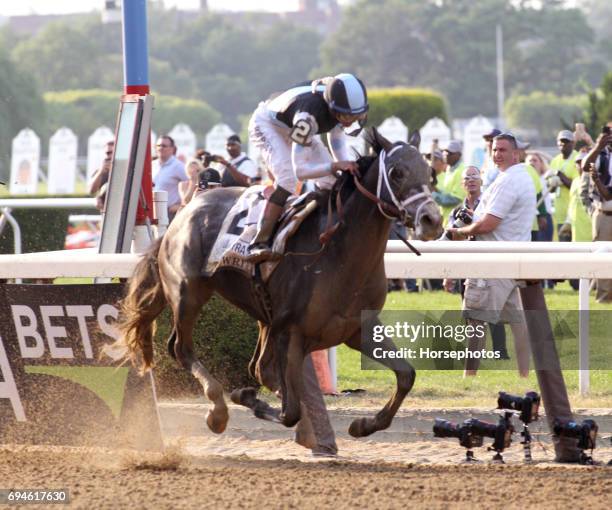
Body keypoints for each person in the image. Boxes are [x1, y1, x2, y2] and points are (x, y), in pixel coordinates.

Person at [246, 73, 368, 262]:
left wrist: (345, 166)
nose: (350, 120)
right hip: (268, 125)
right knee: (287, 179)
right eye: (346, 116)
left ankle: (323, 231)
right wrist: (335, 165)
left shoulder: (337, 104)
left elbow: (336, 140)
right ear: (332, 107)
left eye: (355, 115)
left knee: (333, 181)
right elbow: (300, 171)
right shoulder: (308, 118)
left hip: (292, 123)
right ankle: (260, 240)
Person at [448, 134, 535, 377]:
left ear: (516, 154)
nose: (497, 154)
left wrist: (461, 231)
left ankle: (468, 379)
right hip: (512, 261)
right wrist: (472, 219)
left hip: (493, 262)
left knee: (475, 322)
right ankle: (524, 375)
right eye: (495, 149)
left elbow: (488, 224)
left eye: (503, 150)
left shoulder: (508, 181)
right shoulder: (518, 177)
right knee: (519, 325)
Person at [580, 126, 612, 302]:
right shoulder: (601, 154)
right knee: (604, 257)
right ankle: (605, 299)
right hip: (604, 213)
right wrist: (598, 146)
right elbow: (585, 166)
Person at [549, 130, 579, 241]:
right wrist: (552, 182)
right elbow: (551, 190)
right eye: (560, 141)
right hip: (560, 213)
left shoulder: (578, 159)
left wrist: (560, 175)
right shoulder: (555, 161)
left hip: (574, 215)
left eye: (566, 141)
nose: (563, 144)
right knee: (563, 249)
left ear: (573, 143)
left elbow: (576, 186)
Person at [153, 135, 188, 222]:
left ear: (172, 149)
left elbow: (192, 184)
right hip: (153, 212)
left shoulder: (179, 166)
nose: (161, 148)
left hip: (170, 214)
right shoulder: (152, 165)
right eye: (158, 146)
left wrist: (181, 205)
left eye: (164, 146)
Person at [432, 140, 466, 222]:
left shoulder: (461, 171)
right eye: (445, 151)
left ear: (459, 155)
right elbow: (447, 193)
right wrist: (434, 189)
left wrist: (432, 194)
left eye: (450, 153)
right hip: (446, 219)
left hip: (455, 221)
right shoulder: (449, 169)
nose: (446, 154)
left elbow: (455, 199)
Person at [88, 140, 114, 211]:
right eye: (107, 153)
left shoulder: (126, 170)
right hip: (107, 215)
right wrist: (101, 172)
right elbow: (91, 191)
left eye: (111, 152)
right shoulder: (100, 172)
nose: (109, 156)